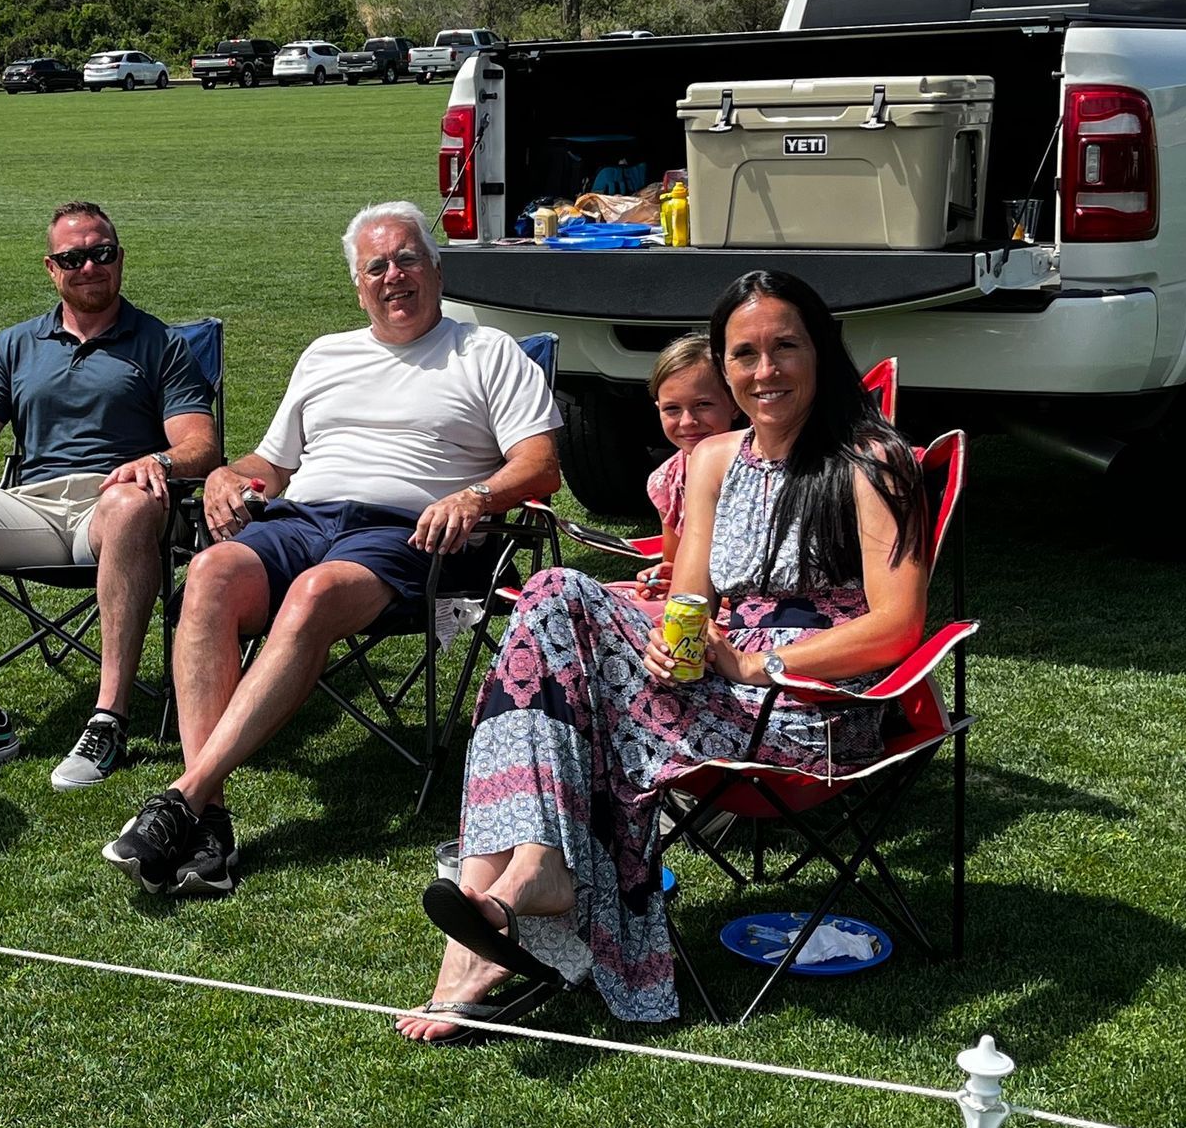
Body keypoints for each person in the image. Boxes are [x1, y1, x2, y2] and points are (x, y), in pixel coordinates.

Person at [397, 270, 930, 1043]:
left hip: (809, 705)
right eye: (744, 354)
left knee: (558, 658)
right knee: (551, 597)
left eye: (785, 347)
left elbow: (897, 625)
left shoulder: (871, 459)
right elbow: (690, 609)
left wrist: (760, 667)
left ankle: (499, 919)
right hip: (712, 686)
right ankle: (510, 896)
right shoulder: (713, 460)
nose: (765, 371)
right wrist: (661, 648)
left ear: (823, 350)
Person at [101, 200, 562, 899]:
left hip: (408, 534)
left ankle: (181, 799)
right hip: (302, 517)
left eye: (408, 258)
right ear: (357, 285)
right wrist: (229, 473)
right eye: (375, 266)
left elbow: (540, 465)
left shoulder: (486, 350)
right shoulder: (326, 354)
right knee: (212, 569)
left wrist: (473, 498)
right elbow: (273, 463)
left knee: (314, 592)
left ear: (436, 269)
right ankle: (210, 820)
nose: (393, 275)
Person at [0, 201, 219, 788]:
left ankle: (109, 719)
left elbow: (200, 447)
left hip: (117, 504)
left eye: (102, 253)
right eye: (73, 257)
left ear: (121, 259)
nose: (89, 266)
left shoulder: (161, 345)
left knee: (129, 501)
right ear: (51, 268)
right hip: (33, 505)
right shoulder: (16, 345)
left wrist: (155, 462)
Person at [634, 331, 737, 601]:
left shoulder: (757, 471)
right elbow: (676, 566)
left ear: (734, 404)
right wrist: (663, 579)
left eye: (703, 405)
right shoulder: (668, 479)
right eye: (672, 409)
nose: (687, 421)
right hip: (695, 609)